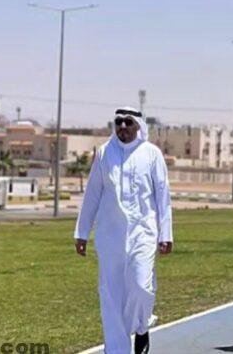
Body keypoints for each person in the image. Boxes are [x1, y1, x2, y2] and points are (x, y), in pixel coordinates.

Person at [74, 107, 173, 354]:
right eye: (118, 122)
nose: (123, 127)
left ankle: (141, 326)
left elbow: (163, 197)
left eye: (128, 122)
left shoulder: (152, 154)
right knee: (110, 294)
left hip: (143, 233)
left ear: (138, 125)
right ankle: (116, 350)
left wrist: (166, 234)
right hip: (110, 236)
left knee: (141, 287)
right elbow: (92, 194)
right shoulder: (104, 153)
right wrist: (82, 232)